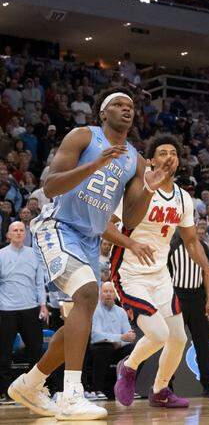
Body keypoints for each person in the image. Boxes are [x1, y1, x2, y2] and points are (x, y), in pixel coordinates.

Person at [9, 88, 161, 419]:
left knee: (84, 312)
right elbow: (50, 187)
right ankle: (71, 395)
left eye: (131, 106)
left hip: (90, 240)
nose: (127, 110)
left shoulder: (134, 159)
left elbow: (132, 218)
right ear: (103, 112)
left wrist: (149, 187)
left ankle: (30, 382)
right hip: (57, 226)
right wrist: (94, 165)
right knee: (89, 295)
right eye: (119, 105)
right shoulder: (83, 136)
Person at [107, 135, 209, 409]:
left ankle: (160, 391)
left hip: (160, 275)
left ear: (178, 161)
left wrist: (207, 267)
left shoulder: (183, 198)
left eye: (173, 152)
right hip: (128, 271)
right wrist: (132, 242)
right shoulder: (135, 188)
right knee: (157, 334)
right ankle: (129, 367)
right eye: (162, 152)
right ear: (151, 161)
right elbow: (106, 227)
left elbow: (191, 240)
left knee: (179, 338)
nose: (168, 156)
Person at [169, 218, 209, 397]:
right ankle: (167, 384)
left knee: (203, 342)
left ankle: (208, 383)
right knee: (174, 342)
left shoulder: (204, 248)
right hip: (177, 296)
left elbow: (208, 275)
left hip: (197, 298)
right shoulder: (172, 245)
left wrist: (208, 299)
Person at [0, 221, 47, 392]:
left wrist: (43, 305)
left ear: (25, 234)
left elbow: (39, 283)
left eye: (21, 230)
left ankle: (34, 389)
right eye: (15, 230)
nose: (19, 233)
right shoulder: (1, 255)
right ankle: (4, 391)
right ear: (8, 234)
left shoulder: (35, 254)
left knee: (36, 351)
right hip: (6, 310)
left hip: (31, 309)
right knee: (4, 353)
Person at [87, 282, 135, 402]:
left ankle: (128, 388)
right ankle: (97, 389)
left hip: (118, 347)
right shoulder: (95, 310)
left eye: (111, 291)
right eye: (105, 291)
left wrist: (122, 340)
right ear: (100, 294)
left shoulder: (121, 311)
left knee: (135, 350)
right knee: (104, 348)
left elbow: (129, 335)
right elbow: (96, 336)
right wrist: (120, 338)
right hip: (99, 346)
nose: (108, 294)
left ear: (115, 295)